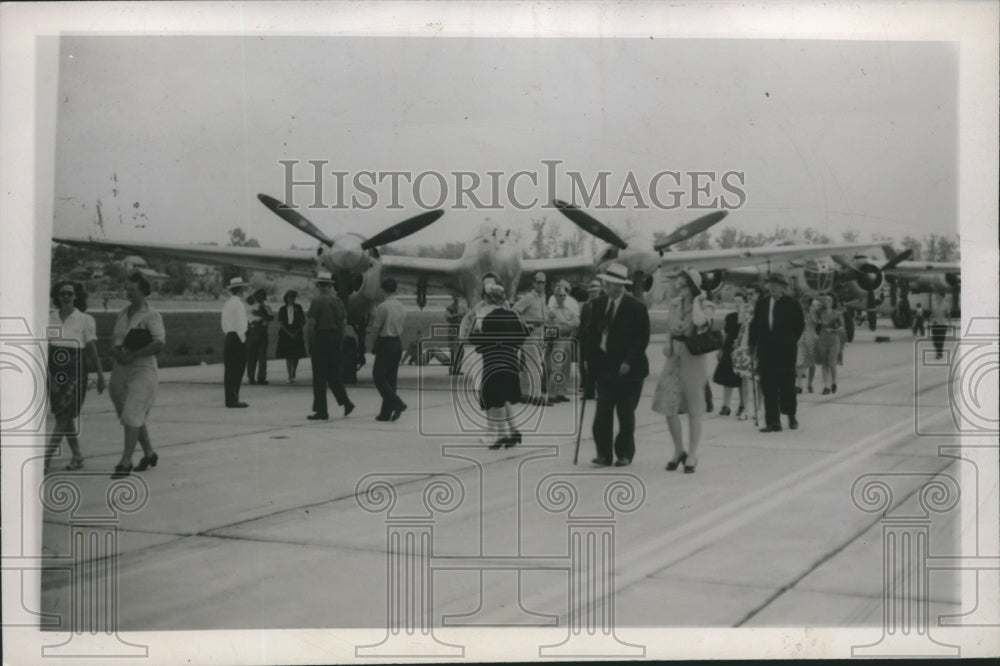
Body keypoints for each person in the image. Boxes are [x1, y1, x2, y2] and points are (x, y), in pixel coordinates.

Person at [584, 263, 650, 467]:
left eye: (610, 283)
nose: (606, 286)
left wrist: (628, 361)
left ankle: (624, 454)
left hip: (629, 369)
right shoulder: (598, 304)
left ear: (620, 286)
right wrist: (589, 360)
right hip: (604, 367)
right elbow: (591, 335)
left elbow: (642, 339)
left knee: (625, 414)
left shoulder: (636, 307)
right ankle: (604, 454)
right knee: (602, 414)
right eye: (606, 282)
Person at [652, 268, 715, 473]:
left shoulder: (706, 306)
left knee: (695, 408)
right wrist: (668, 342)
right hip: (674, 358)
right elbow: (671, 327)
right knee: (668, 405)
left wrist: (697, 302)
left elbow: (699, 322)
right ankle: (679, 450)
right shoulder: (675, 304)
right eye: (679, 285)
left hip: (693, 359)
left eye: (684, 285)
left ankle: (693, 454)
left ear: (693, 287)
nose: (680, 288)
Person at [108, 272, 165, 478]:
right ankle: (149, 453)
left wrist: (134, 354)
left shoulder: (151, 315)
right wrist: (116, 353)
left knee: (132, 412)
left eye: (133, 290)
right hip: (121, 367)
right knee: (128, 415)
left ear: (143, 291)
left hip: (143, 369)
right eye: (127, 289)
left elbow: (159, 342)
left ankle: (125, 462)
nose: (128, 293)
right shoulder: (123, 314)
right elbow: (115, 340)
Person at [44, 281, 106, 472]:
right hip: (55, 371)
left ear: (76, 296)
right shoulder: (50, 318)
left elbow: (91, 350)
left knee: (64, 416)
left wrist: (100, 374)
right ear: (57, 296)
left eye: (70, 294)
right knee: (64, 415)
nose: (66, 297)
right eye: (62, 293)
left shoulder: (85, 320)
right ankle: (78, 456)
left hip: (76, 370)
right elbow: (45, 349)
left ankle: (45, 460)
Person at [469, 284, 529, 449]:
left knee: (495, 397)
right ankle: (513, 430)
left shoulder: (484, 316)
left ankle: (502, 435)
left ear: (489, 298)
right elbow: (523, 335)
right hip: (510, 360)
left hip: (492, 361)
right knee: (506, 396)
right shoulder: (513, 315)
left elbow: (474, 338)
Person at [748, 273, 805, 432]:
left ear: (783, 287)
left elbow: (799, 325)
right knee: (768, 386)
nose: (772, 287)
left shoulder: (792, 303)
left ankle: (791, 415)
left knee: (787, 385)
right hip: (766, 351)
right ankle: (773, 422)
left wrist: (790, 340)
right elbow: (755, 325)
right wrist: (751, 345)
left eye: (776, 284)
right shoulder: (762, 303)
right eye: (770, 284)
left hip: (786, 351)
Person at [306, 271, 355, 420]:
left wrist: (310, 343)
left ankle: (322, 410)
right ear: (330, 285)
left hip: (321, 338)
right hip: (335, 339)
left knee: (319, 377)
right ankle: (346, 402)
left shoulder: (317, 301)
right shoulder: (338, 301)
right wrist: (340, 342)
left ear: (319, 285)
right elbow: (343, 324)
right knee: (334, 375)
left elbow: (311, 325)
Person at [370, 277, 407, 422]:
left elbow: (376, 328)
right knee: (391, 379)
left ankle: (398, 403)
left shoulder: (383, 307)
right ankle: (385, 413)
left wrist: (373, 344)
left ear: (383, 289)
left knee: (378, 376)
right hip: (397, 342)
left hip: (385, 342)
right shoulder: (401, 307)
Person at [512, 271, 548, 406]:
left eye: (543, 282)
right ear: (533, 283)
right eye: (538, 282)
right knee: (536, 365)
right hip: (530, 333)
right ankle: (537, 396)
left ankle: (527, 394)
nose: (540, 285)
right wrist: (525, 324)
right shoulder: (528, 297)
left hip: (540, 333)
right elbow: (514, 310)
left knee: (529, 366)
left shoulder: (542, 297)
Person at [545, 283, 580, 404]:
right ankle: (551, 393)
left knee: (566, 368)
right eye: (559, 295)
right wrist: (565, 325)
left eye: (564, 295)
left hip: (567, 339)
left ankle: (561, 392)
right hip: (559, 340)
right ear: (555, 296)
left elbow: (577, 322)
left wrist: (565, 323)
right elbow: (552, 326)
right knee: (556, 367)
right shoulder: (551, 311)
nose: (562, 297)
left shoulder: (568, 309)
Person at [712, 290, 746, 416]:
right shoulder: (730, 317)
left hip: (742, 350)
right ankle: (726, 405)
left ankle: (742, 405)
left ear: (744, 302)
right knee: (727, 379)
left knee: (741, 380)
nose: (737, 304)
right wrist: (721, 349)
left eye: (740, 302)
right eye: (735, 302)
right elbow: (726, 335)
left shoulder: (747, 317)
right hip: (729, 349)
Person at [221, 276, 250, 408]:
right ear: (241, 289)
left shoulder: (227, 303)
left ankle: (230, 397)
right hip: (238, 337)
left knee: (229, 369)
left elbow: (224, 323)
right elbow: (241, 324)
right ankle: (234, 398)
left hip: (229, 336)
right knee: (237, 368)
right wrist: (243, 339)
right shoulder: (239, 304)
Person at [577, 279, 604, 401]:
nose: (593, 294)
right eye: (591, 292)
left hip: (598, 339)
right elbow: (582, 324)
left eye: (596, 291)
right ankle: (588, 391)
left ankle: (601, 392)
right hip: (586, 340)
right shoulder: (586, 306)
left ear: (600, 292)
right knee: (584, 365)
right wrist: (580, 338)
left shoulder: (604, 306)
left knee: (599, 365)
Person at [276, 290, 306, 383]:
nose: (292, 299)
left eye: (293, 297)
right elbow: (281, 323)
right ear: (286, 298)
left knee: (296, 355)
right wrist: (289, 333)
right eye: (290, 297)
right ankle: (289, 375)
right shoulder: (282, 309)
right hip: (286, 333)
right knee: (288, 356)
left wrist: (297, 331)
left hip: (296, 331)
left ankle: (294, 371)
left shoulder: (298, 307)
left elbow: (302, 321)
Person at [815, 293, 844, 394]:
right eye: (825, 300)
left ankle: (834, 382)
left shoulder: (837, 313)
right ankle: (826, 386)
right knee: (824, 364)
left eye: (829, 300)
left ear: (833, 302)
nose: (827, 302)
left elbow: (842, 327)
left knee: (832, 363)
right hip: (822, 339)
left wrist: (833, 329)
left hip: (834, 339)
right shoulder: (820, 312)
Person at [246, 288, 273, 385]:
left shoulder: (267, 307)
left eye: (263, 296)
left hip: (263, 330)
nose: (261, 298)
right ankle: (251, 376)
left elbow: (270, 317)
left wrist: (261, 314)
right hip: (253, 330)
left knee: (262, 355)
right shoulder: (250, 306)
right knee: (252, 355)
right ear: (256, 296)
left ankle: (261, 377)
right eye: (259, 295)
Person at [796, 297, 820, 394]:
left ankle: (809, 384)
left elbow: (816, 321)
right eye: (801, 303)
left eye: (804, 303)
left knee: (812, 364)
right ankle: (799, 385)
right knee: (799, 362)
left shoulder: (813, 311)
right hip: (801, 339)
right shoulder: (799, 312)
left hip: (812, 338)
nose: (802, 305)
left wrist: (811, 310)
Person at [445, 295, 467, 375]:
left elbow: (466, 316)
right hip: (453, 330)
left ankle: (457, 369)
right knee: (454, 351)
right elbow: (448, 317)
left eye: (458, 299)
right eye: (455, 299)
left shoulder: (462, 308)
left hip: (459, 330)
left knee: (461, 351)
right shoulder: (449, 308)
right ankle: (452, 369)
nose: (457, 300)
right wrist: (458, 315)